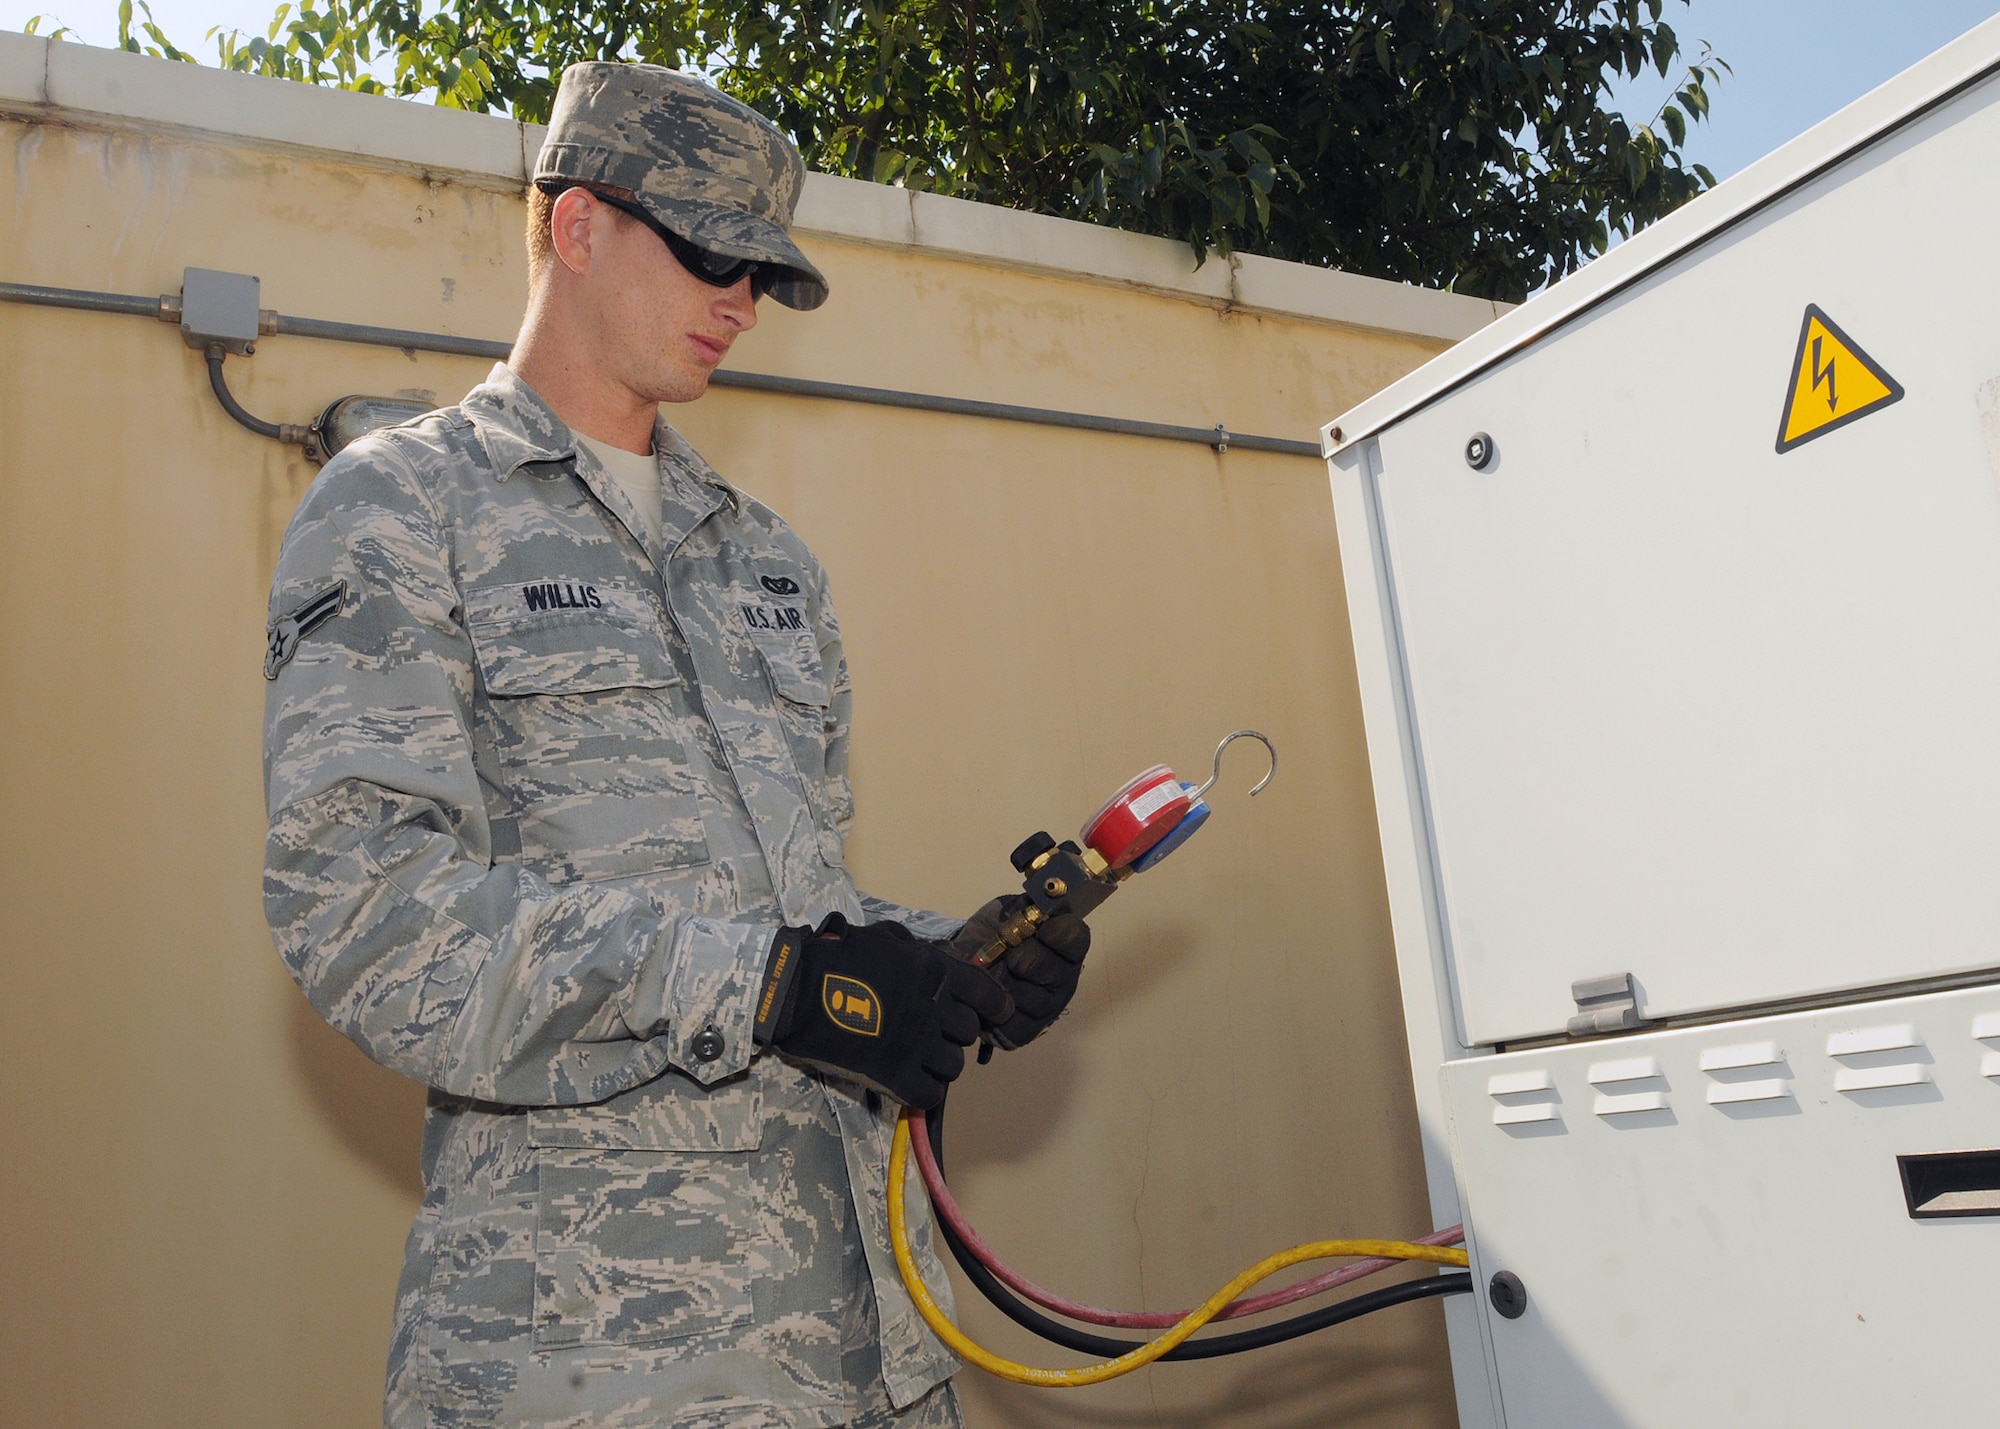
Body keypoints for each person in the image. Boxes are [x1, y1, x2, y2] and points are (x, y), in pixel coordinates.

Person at [261, 61, 1090, 1429]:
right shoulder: (403, 511)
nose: (742, 302)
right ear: (576, 225)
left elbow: (793, 918)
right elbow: (367, 914)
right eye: (712, 252)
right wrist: (766, 984)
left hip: (859, 1347)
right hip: (592, 1360)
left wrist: (950, 965)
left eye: (765, 274)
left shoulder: (767, 562)